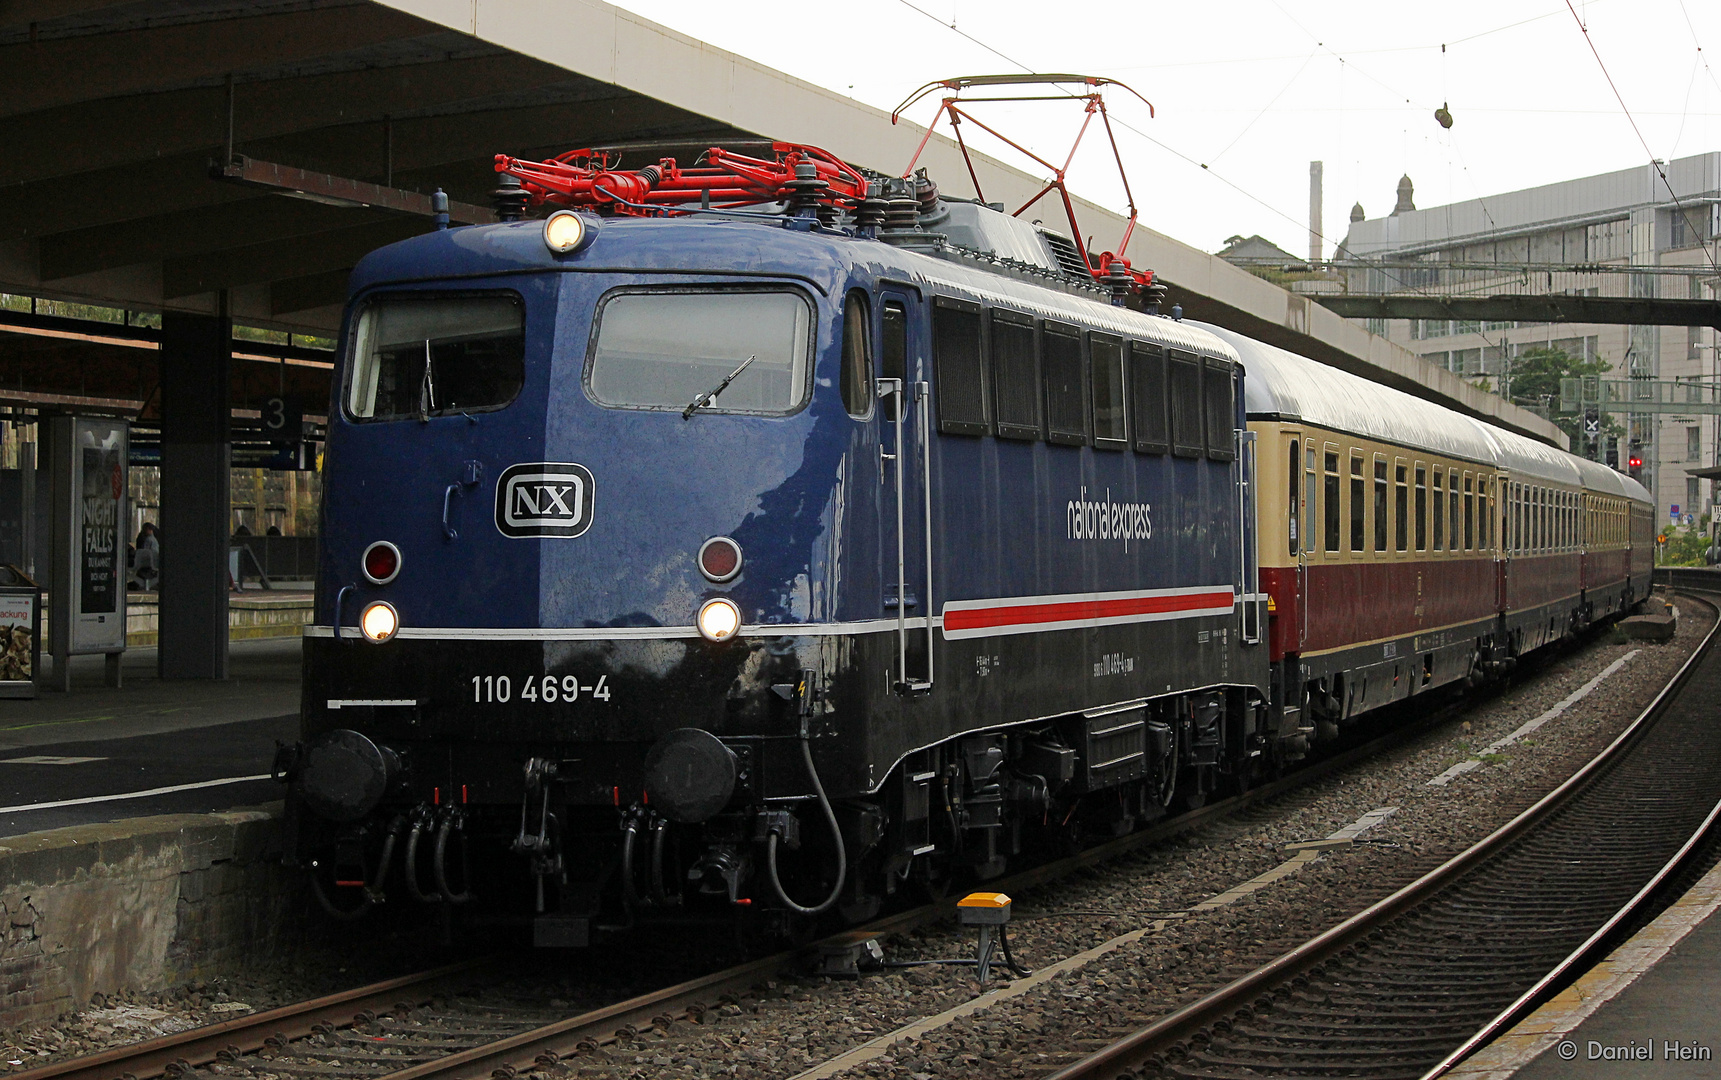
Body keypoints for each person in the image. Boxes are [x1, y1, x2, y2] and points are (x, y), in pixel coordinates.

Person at [132, 522, 159, 591]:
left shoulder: (149, 540)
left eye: (145, 529)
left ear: (150, 530)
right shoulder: (153, 540)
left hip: (148, 564)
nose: (143, 531)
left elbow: (146, 553)